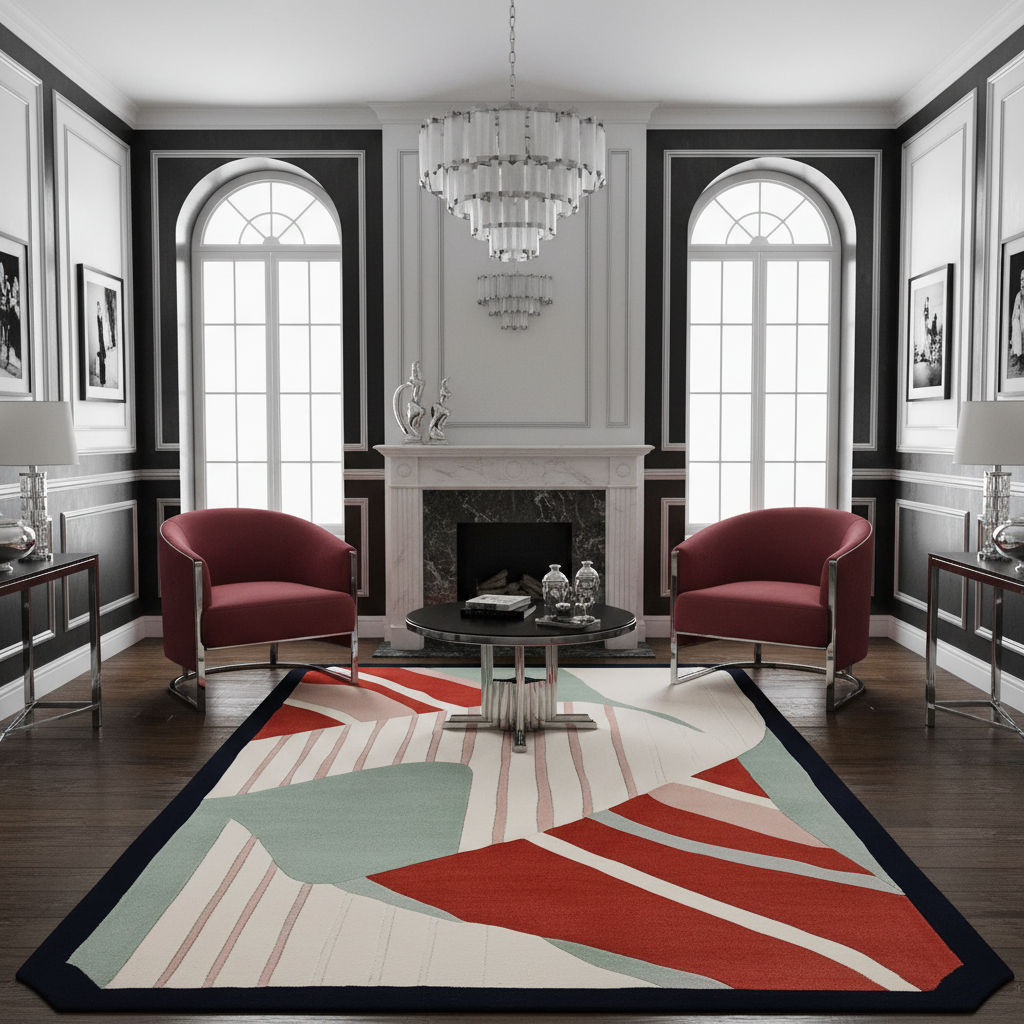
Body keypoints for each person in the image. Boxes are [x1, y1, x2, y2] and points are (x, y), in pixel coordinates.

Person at [1010, 267, 1024, 374]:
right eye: (1021, 280)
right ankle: (1019, 356)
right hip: (1021, 325)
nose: (1022, 283)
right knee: (1016, 324)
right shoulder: (1019, 296)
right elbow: (1015, 314)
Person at [96, 300, 106, 386]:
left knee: (103, 364)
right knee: (101, 364)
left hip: (102, 346)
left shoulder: (101, 320)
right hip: (101, 345)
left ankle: (103, 381)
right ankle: (102, 381)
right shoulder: (98, 319)